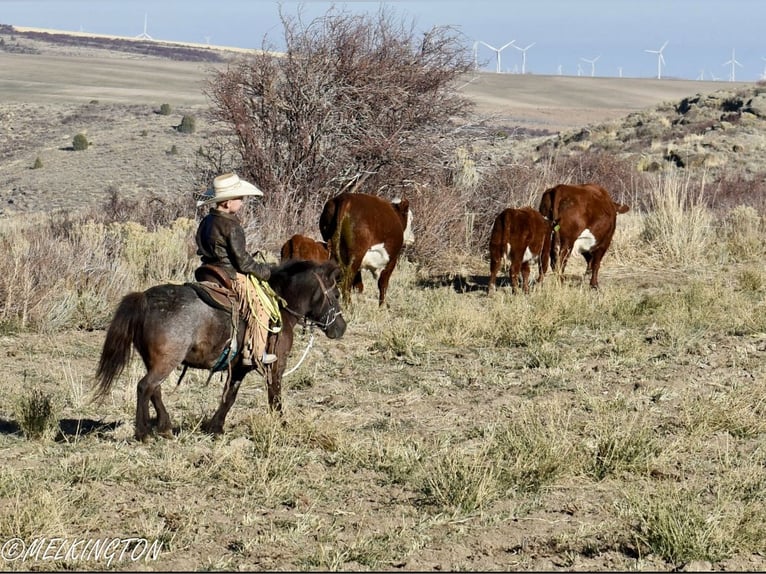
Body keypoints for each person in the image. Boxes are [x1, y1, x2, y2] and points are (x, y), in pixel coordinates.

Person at [195, 172, 280, 368]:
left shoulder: (206, 221)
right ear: (227, 203)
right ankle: (255, 353)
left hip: (207, 270)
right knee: (260, 307)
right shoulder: (232, 226)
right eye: (239, 199)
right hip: (229, 274)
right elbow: (243, 263)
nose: (242, 202)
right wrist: (265, 271)